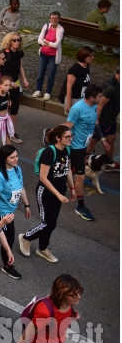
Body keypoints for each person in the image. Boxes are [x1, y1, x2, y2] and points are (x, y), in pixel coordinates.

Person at [19, 125, 74, 263]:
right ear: (58, 138)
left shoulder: (67, 149)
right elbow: (43, 177)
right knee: (48, 223)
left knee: (51, 223)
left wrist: (72, 188)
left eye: (71, 136)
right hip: (47, 192)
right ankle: (26, 237)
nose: (70, 139)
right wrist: (58, 195)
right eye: (67, 137)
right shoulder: (49, 152)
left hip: (59, 191)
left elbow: (67, 169)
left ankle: (43, 248)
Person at [0, 144, 30, 281]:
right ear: (4, 159)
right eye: (12, 157)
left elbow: (21, 188)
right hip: (2, 213)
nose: (16, 159)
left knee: (2, 237)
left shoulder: (17, 170)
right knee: (8, 238)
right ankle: (7, 265)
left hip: (11, 212)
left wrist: (27, 205)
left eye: (17, 156)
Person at [12, 274, 83, 343]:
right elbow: (27, 334)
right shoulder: (45, 313)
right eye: (74, 295)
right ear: (61, 295)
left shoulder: (68, 302)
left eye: (80, 291)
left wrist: (72, 312)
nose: (79, 297)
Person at [66, 84, 107, 222]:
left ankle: (59, 183)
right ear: (91, 97)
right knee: (81, 177)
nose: (101, 98)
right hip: (75, 146)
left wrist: (102, 138)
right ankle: (80, 205)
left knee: (67, 168)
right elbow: (68, 126)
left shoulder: (94, 106)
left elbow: (95, 121)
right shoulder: (77, 109)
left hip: (83, 145)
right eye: (99, 96)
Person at [0, 32, 28, 143]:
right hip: (6, 84)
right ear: (9, 41)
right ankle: (0, 131)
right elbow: (2, 70)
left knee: (15, 109)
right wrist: (8, 83)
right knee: (4, 108)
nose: (17, 42)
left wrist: (24, 79)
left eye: (18, 40)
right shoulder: (5, 53)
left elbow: (20, 66)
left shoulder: (19, 53)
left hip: (15, 83)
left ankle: (12, 133)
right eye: (14, 40)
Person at [33, 11, 64, 101]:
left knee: (51, 74)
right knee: (40, 73)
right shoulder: (46, 26)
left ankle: (48, 92)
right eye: (52, 18)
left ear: (59, 19)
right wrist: (49, 43)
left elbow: (56, 45)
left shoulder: (60, 29)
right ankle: (38, 90)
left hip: (53, 55)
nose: (53, 20)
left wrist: (46, 42)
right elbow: (39, 40)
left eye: (55, 18)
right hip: (43, 53)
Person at [92, 68, 119, 165]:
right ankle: (78, 162)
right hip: (104, 119)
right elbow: (99, 106)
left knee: (111, 138)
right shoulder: (110, 88)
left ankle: (109, 163)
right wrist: (96, 122)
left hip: (111, 118)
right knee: (93, 140)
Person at [63, 46, 94, 114]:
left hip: (81, 98)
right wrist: (69, 104)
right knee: (72, 122)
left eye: (93, 56)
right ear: (84, 56)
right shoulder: (75, 69)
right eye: (90, 56)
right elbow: (69, 87)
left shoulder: (86, 66)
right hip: (74, 99)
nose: (92, 58)